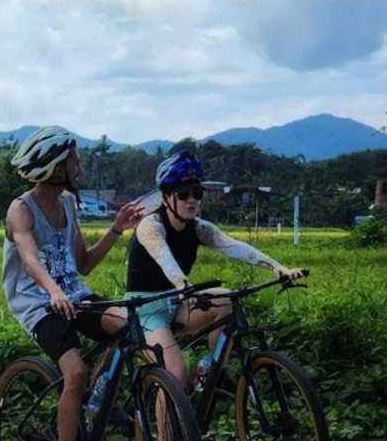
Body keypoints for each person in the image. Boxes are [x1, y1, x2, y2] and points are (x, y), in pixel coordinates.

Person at [2, 126, 144, 441]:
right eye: (74, 161)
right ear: (54, 167)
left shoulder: (66, 203)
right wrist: (53, 291)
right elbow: (30, 259)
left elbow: (82, 263)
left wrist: (116, 230)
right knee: (75, 373)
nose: (79, 166)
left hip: (73, 295)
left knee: (130, 327)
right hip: (37, 302)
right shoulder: (21, 209)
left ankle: (97, 400)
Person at [125, 151, 302, 390]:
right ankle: (165, 428)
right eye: (183, 194)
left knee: (225, 299)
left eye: (197, 194)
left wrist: (277, 267)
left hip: (176, 303)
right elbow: (164, 257)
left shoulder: (198, 228)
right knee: (175, 373)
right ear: (166, 196)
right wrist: (183, 285)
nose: (192, 200)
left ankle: (210, 369)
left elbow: (234, 246)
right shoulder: (151, 225)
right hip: (145, 309)